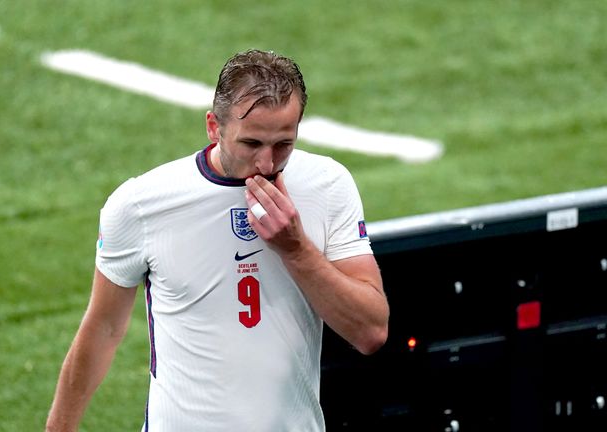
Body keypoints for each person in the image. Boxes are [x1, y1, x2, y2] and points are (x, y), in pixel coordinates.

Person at [45, 49, 389, 431]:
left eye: (283, 145)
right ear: (213, 127)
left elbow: (370, 332)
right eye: (252, 144)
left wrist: (297, 251)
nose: (266, 163)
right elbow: (104, 328)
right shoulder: (141, 204)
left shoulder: (327, 185)